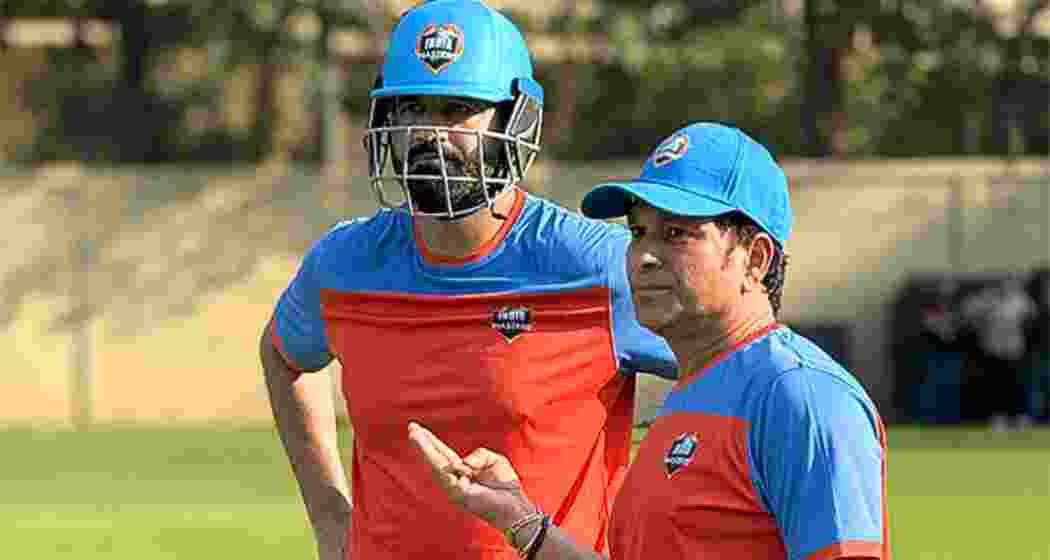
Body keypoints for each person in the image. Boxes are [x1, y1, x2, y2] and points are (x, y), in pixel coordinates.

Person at [258, 1, 676, 559]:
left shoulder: (597, 266)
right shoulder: (343, 264)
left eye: (457, 109)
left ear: (515, 120)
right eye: (412, 108)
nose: (430, 132)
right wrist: (331, 517)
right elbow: (283, 355)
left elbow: (736, 369)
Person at [410, 122, 890, 560]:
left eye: (677, 234)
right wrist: (521, 521)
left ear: (756, 259)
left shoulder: (802, 396)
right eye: (639, 232)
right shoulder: (694, 391)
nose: (643, 257)